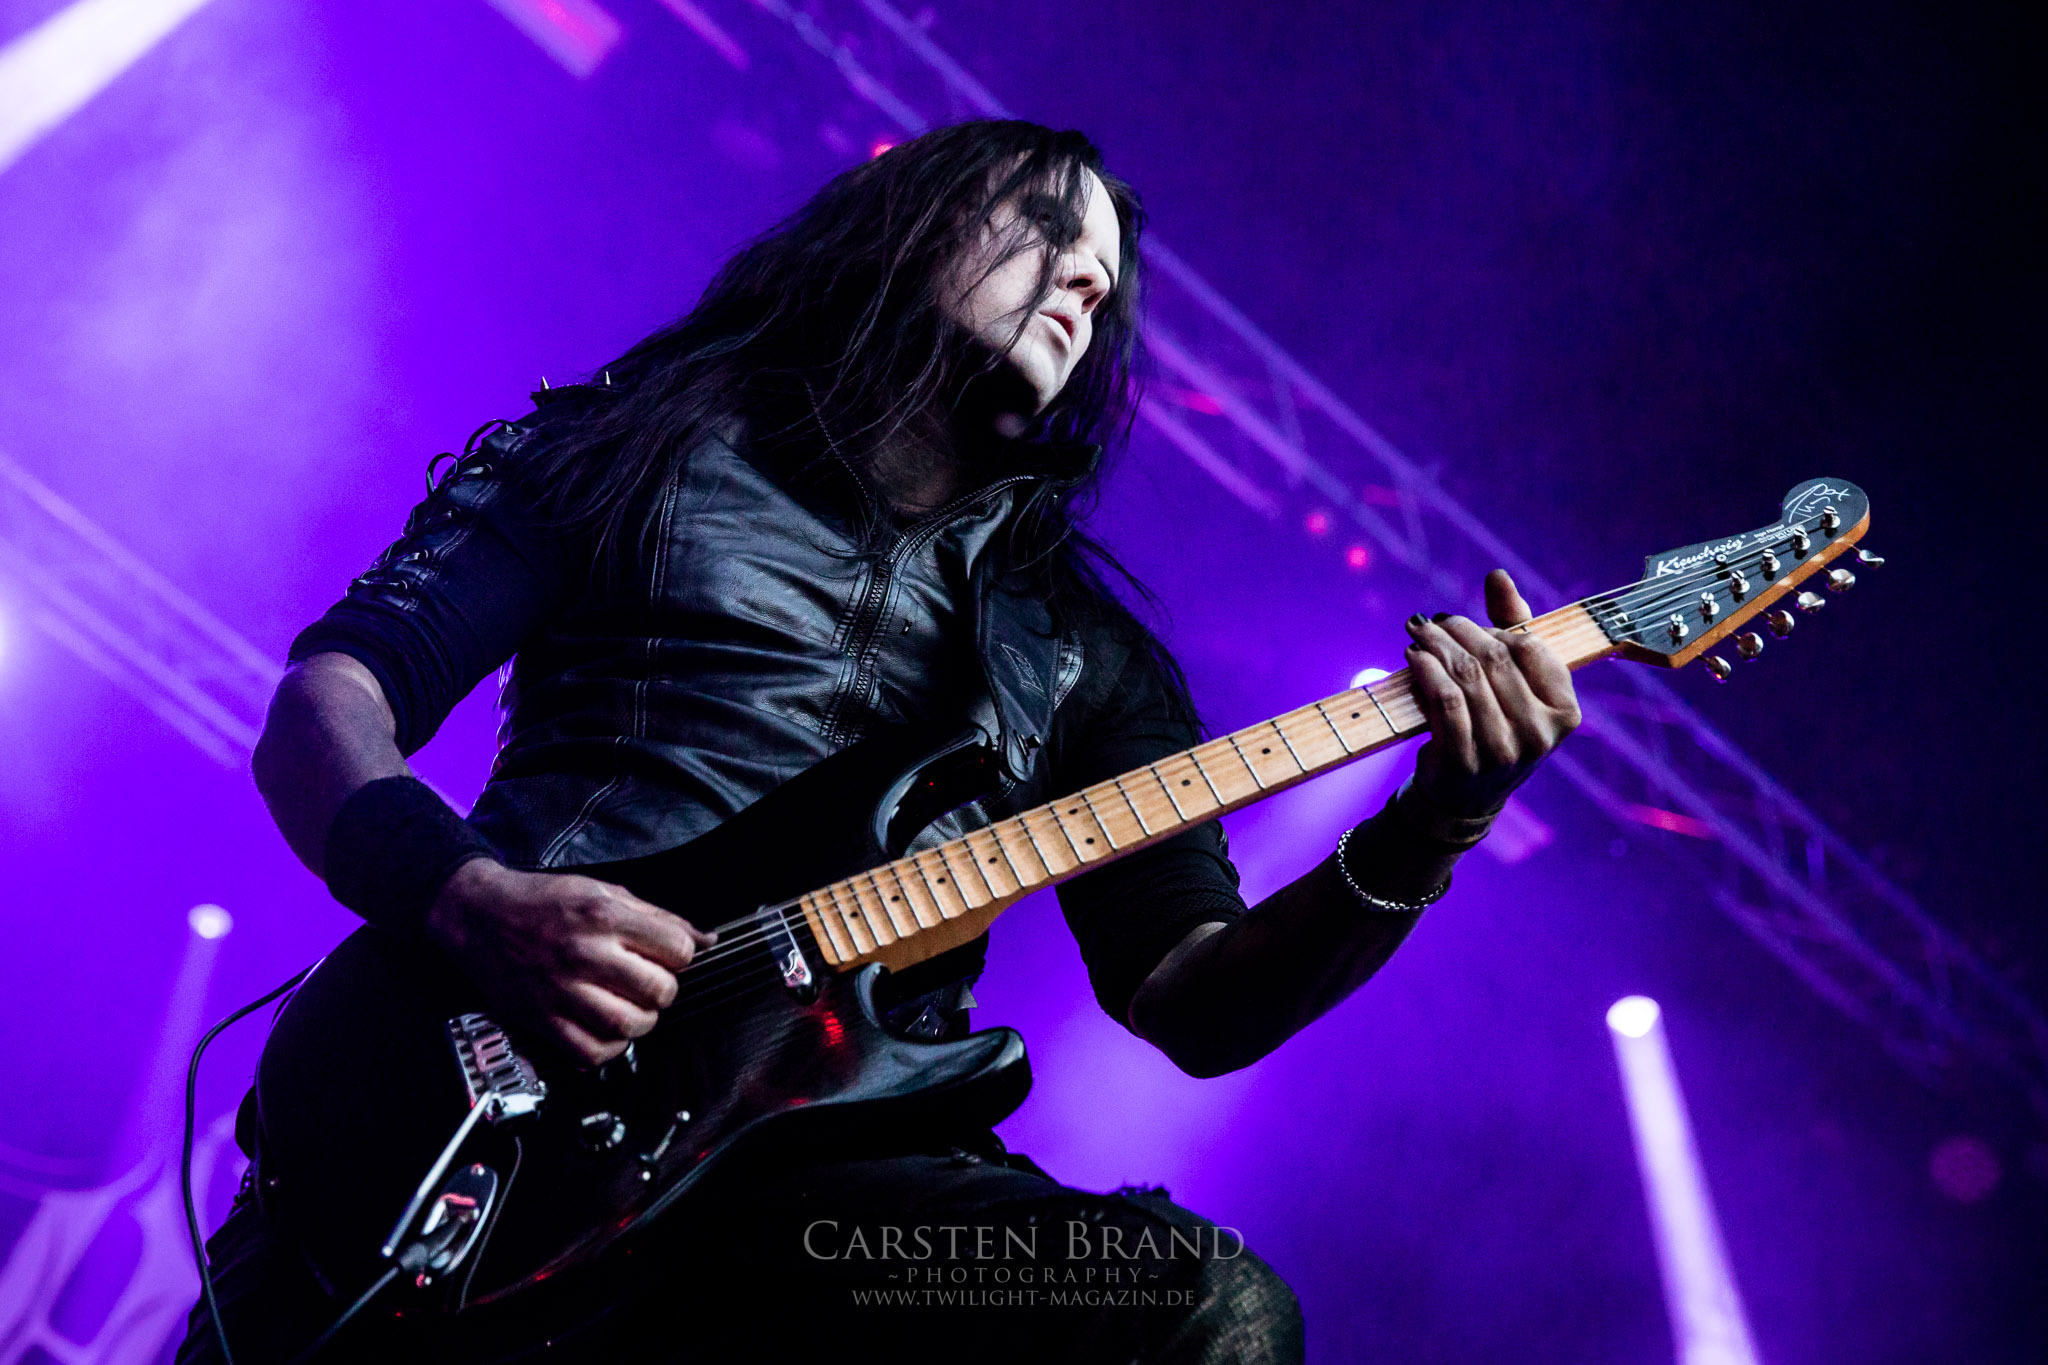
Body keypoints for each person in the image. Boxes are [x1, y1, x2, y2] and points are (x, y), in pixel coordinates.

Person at [179, 120, 1579, 1363]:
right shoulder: (632, 449)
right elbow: (331, 700)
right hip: (481, 1099)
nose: (1087, 287)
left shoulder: (1083, 656)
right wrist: (466, 896)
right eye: (1049, 232)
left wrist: (1430, 827)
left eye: (1105, 284)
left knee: (1204, 1310)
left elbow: (1195, 998)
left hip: (826, 1201)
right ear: (912, 218)